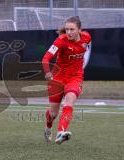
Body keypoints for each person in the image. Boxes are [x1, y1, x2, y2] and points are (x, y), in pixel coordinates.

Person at [42, 16, 91, 144]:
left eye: (72, 29)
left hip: (75, 78)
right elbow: (45, 58)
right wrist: (47, 72)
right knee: (53, 114)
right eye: (67, 29)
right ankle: (48, 127)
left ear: (80, 30)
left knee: (69, 102)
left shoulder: (87, 37)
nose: (69, 32)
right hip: (57, 78)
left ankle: (61, 133)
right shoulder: (61, 41)